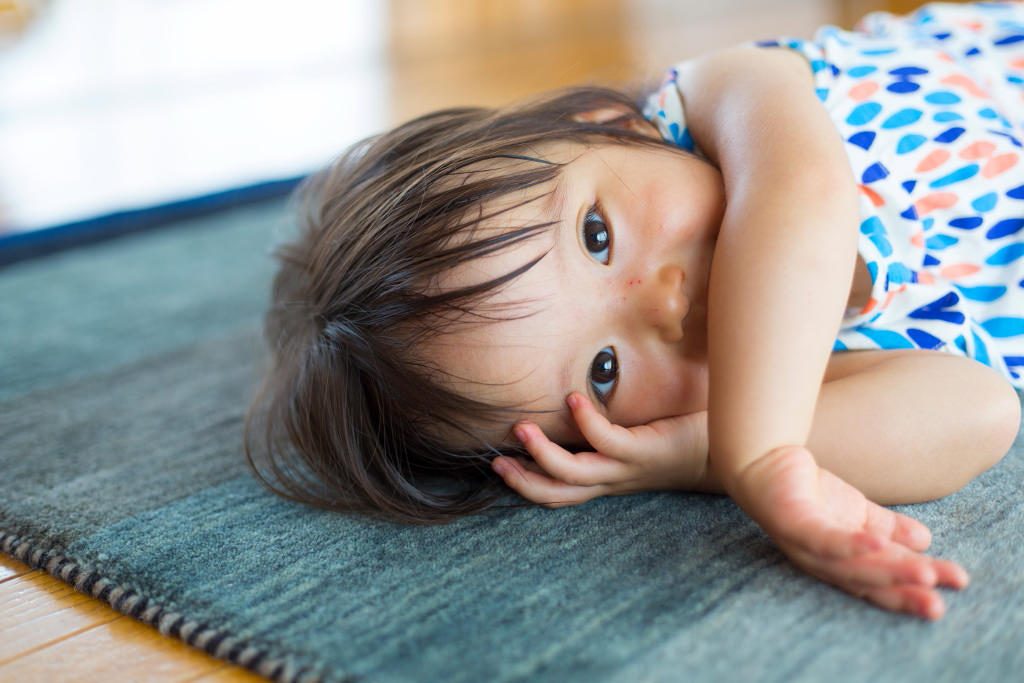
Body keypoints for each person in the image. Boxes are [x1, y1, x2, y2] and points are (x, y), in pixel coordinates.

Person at [244, 1, 1024, 621]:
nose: (666, 304)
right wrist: (698, 453)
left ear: (609, 126)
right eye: (604, 372)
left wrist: (760, 456)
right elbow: (981, 412)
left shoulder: (728, 93)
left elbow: (805, 204)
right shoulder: (795, 391)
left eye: (596, 234)